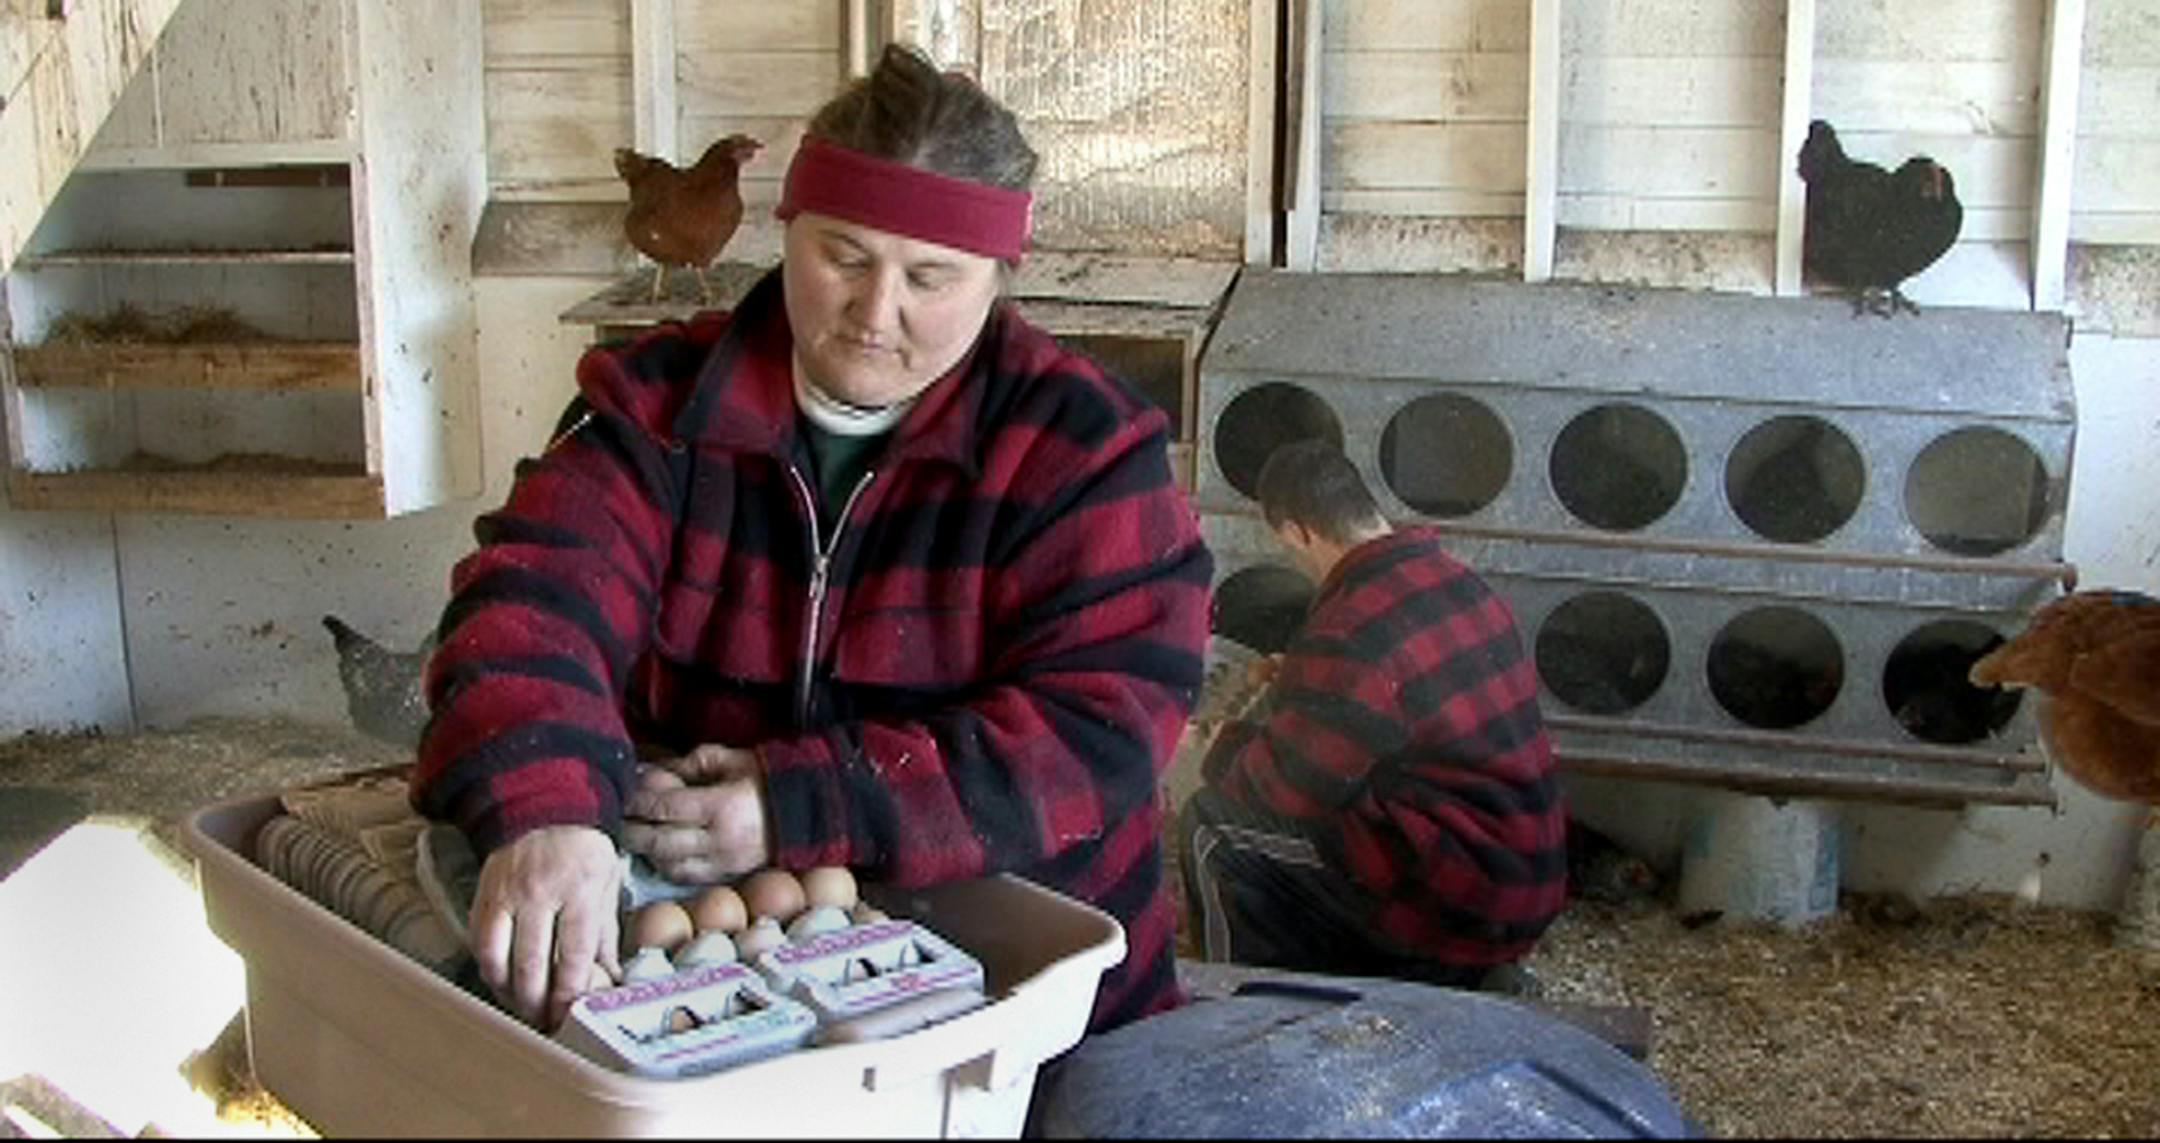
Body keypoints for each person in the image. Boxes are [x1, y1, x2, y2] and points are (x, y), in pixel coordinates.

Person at [410, 42, 1213, 1035]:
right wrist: (548, 805)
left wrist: (795, 802)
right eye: (843, 256)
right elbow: (537, 599)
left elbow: (1104, 728)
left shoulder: (1084, 450)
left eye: (931, 276)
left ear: (1002, 274)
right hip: (718, 997)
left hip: (1018, 989)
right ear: (786, 230)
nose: (877, 314)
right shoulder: (656, 406)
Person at [1177, 439, 1565, 989]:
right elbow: (1407, 690)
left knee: (1212, 826)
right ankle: (1449, 972)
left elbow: (1285, 789)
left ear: (1298, 531)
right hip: (1525, 877)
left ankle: (1238, 1007)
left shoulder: (1350, 624)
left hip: (1461, 892)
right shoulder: (1455, 579)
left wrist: (1212, 739)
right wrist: (1301, 674)